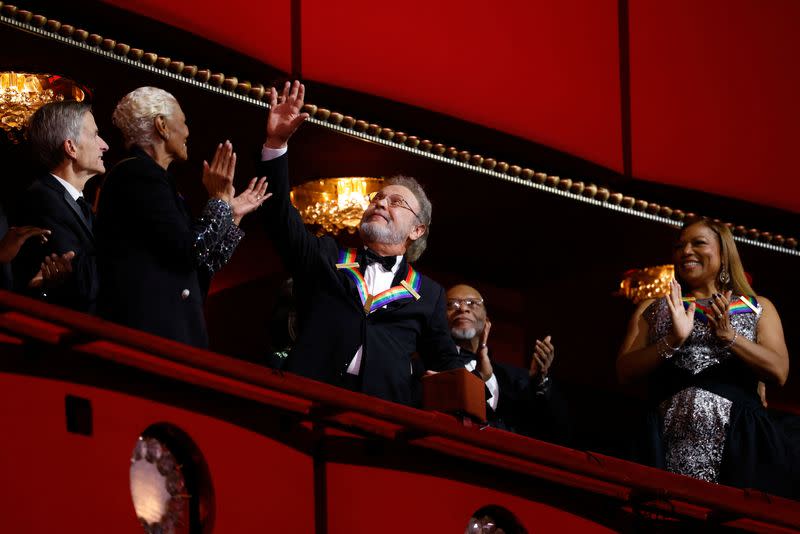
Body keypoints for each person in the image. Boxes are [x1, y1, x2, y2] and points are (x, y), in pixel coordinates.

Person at [257, 81, 465, 405]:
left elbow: (447, 367)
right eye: (378, 198)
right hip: (305, 403)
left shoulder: (430, 295)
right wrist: (276, 146)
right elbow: (280, 219)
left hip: (380, 424)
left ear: (417, 231)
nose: (381, 203)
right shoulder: (326, 255)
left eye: (396, 202)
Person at [617, 219, 793, 496]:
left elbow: (779, 371)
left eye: (698, 243)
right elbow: (624, 371)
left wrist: (729, 337)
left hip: (740, 438)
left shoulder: (757, 307)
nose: (685, 251)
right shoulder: (654, 308)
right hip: (665, 438)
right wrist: (672, 341)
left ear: (724, 254)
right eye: (679, 246)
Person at [96, 86, 268, 348]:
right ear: (162, 125)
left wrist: (230, 216)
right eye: (184, 122)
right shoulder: (137, 175)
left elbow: (199, 268)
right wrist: (219, 201)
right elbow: (190, 249)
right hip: (149, 338)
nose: (187, 132)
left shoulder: (158, 182)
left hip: (173, 335)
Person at [15, 101, 106, 312]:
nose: (104, 145)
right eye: (95, 135)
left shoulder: (79, 205)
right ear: (71, 147)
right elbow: (83, 284)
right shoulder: (42, 199)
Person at [446, 284, 567, 442]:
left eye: (472, 303)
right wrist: (479, 377)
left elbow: (558, 432)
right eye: (452, 304)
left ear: (487, 322)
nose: (462, 308)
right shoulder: (425, 365)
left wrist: (539, 381)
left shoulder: (518, 377)